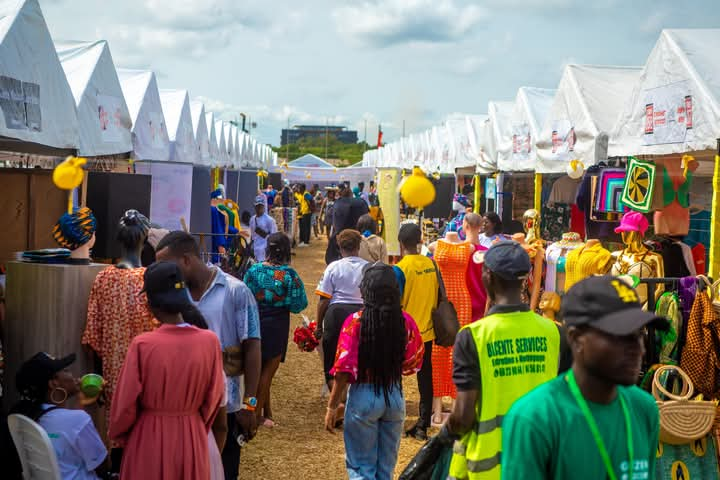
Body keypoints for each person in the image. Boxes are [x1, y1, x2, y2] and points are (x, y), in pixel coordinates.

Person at [502, 276, 665, 480]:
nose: (638, 349)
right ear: (576, 339)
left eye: (638, 335)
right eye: (619, 336)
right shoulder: (534, 418)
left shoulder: (644, 409)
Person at [444, 241, 561, 480]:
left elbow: (464, 415)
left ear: (488, 276)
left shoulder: (473, 336)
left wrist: (444, 435)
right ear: (524, 278)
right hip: (539, 463)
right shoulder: (553, 333)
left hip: (489, 469)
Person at [155, 232, 261, 480]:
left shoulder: (236, 291)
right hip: (184, 409)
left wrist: (250, 404)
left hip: (228, 405)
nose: (165, 273)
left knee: (223, 471)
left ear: (187, 260)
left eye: (167, 266)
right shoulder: (174, 298)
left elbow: (253, 347)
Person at [109, 262, 225, 480]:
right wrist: (194, 424)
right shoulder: (209, 342)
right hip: (192, 436)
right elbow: (213, 399)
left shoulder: (142, 345)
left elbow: (124, 407)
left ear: (151, 303)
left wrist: (121, 436)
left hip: (148, 438)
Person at [325, 263, 424, 480]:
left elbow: (343, 369)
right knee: (385, 471)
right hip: (394, 396)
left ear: (366, 290)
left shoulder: (355, 323)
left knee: (361, 469)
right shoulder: (405, 321)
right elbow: (413, 361)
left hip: (363, 396)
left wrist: (332, 406)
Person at [244, 233, 308, 428]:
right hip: (277, 324)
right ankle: (253, 415)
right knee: (267, 374)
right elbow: (299, 304)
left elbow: (243, 294)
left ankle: (262, 411)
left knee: (257, 372)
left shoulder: (253, 270)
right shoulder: (289, 275)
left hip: (255, 321)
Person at [11, 352, 107, 480]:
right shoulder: (78, 420)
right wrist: (101, 407)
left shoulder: (25, 416)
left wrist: (81, 404)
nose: (74, 376)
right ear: (54, 383)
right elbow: (103, 466)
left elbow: (64, 428)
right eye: (66, 370)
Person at [393, 223, 438, 441]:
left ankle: (397, 420)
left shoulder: (400, 269)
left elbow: (394, 302)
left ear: (401, 243)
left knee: (396, 376)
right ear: (420, 241)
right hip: (427, 333)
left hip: (404, 332)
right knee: (425, 377)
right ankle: (422, 424)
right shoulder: (431, 264)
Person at [316, 230, 368, 391]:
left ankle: (337, 400)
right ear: (358, 246)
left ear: (339, 247)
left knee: (331, 359)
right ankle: (355, 396)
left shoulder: (333, 267)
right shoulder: (368, 267)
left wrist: (318, 326)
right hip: (360, 315)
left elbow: (324, 300)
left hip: (336, 314)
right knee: (360, 356)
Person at [326, 184, 369, 264]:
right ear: (351, 195)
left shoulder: (337, 203)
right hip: (357, 237)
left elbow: (334, 223)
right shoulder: (361, 202)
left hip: (341, 237)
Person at [249, 195, 278, 262]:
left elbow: (274, 237)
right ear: (254, 206)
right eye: (257, 206)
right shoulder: (252, 220)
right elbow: (253, 236)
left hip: (265, 251)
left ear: (264, 206)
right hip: (255, 250)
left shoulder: (270, 220)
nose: (259, 208)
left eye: (260, 206)